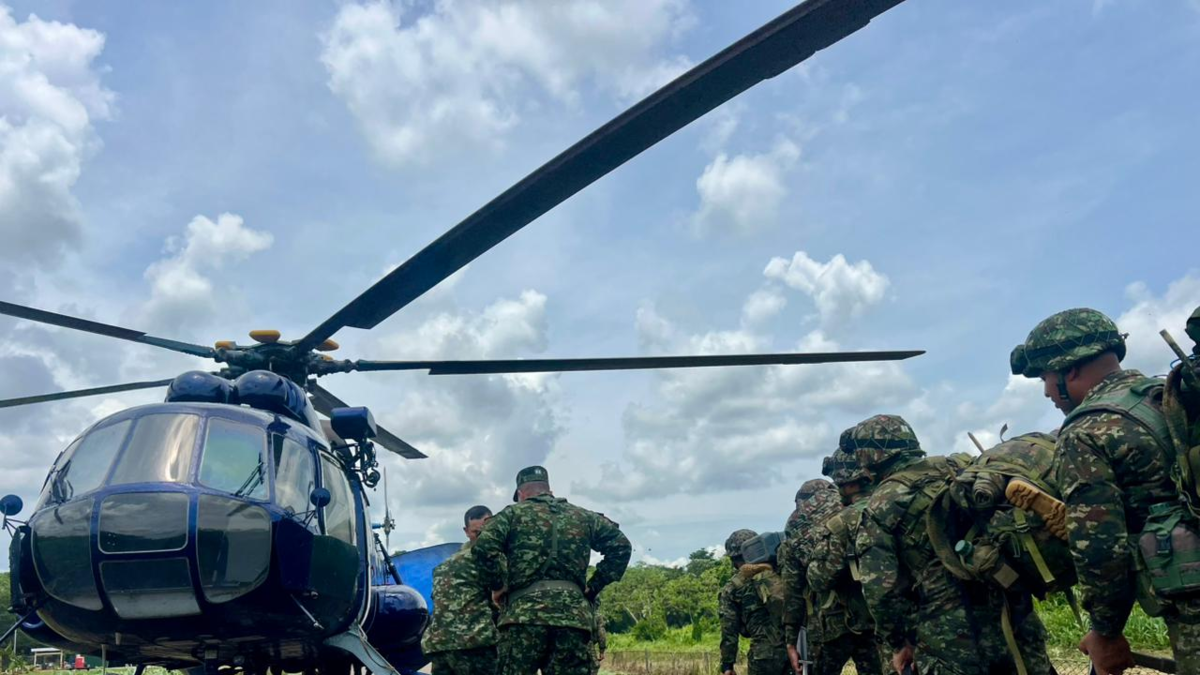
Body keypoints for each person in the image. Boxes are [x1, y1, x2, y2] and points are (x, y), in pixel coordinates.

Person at [1011, 308, 1200, 674]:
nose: (1048, 391)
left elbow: (1099, 547)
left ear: (1070, 370)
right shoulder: (1170, 395)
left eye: (1045, 378)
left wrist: (1106, 631)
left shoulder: (1086, 431)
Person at [852, 414, 1055, 675]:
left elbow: (880, 589)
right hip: (1011, 609)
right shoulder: (961, 468)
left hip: (949, 635)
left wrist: (897, 642)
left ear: (868, 460)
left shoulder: (882, 504)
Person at [472, 466, 631, 675]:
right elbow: (621, 547)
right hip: (572, 620)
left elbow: (483, 548)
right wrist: (592, 588)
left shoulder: (511, 514)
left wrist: (498, 586)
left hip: (522, 618)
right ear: (549, 490)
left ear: (521, 494)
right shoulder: (584, 516)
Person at [805, 448, 884, 675]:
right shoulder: (895, 504)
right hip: (900, 623)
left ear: (847, 483)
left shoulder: (842, 522)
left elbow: (820, 578)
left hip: (852, 622)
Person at [422, 505, 498, 675]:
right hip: (474, 645)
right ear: (466, 531)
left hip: (440, 645)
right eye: (476, 533)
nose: (481, 538)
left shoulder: (445, 564)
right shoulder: (488, 560)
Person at [779, 477, 842, 674]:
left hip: (825, 622)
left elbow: (793, 591)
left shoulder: (796, 523)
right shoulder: (853, 507)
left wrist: (791, 641)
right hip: (867, 617)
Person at [718, 529, 790, 675]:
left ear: (733, 559)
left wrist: (727, 665)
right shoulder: (782, 573)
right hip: (797, 647)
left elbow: (729, 631)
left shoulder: (732, 588)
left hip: (764, 655)